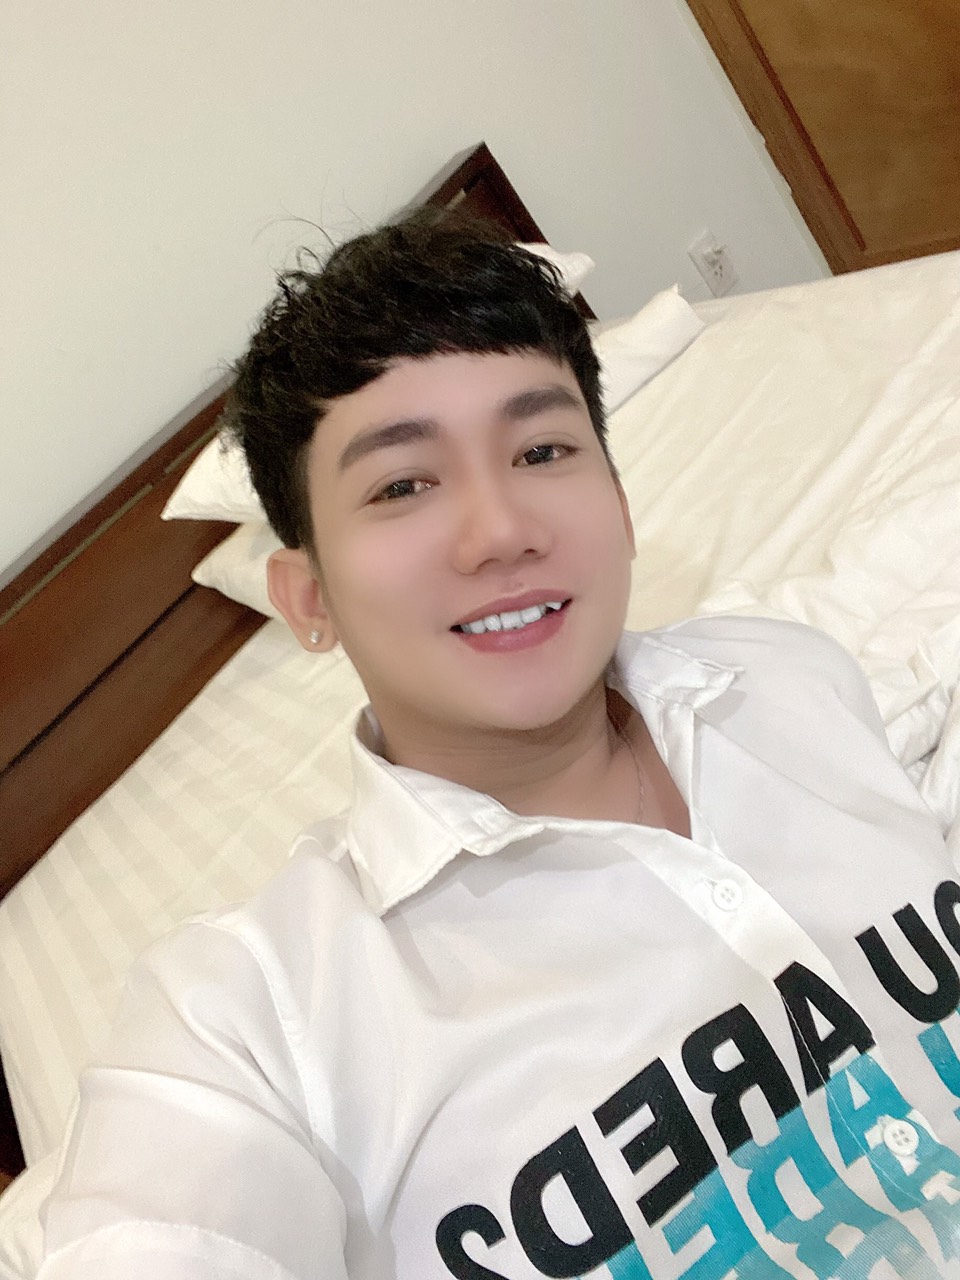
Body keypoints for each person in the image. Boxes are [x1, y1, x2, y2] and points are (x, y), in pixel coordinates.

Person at [36, 212, 960, 1279]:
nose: (503, 531)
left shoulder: (793, 679)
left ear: (618, 499)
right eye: (401, 484)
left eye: (542, 450)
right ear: (308, 599)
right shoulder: (248, 1027)